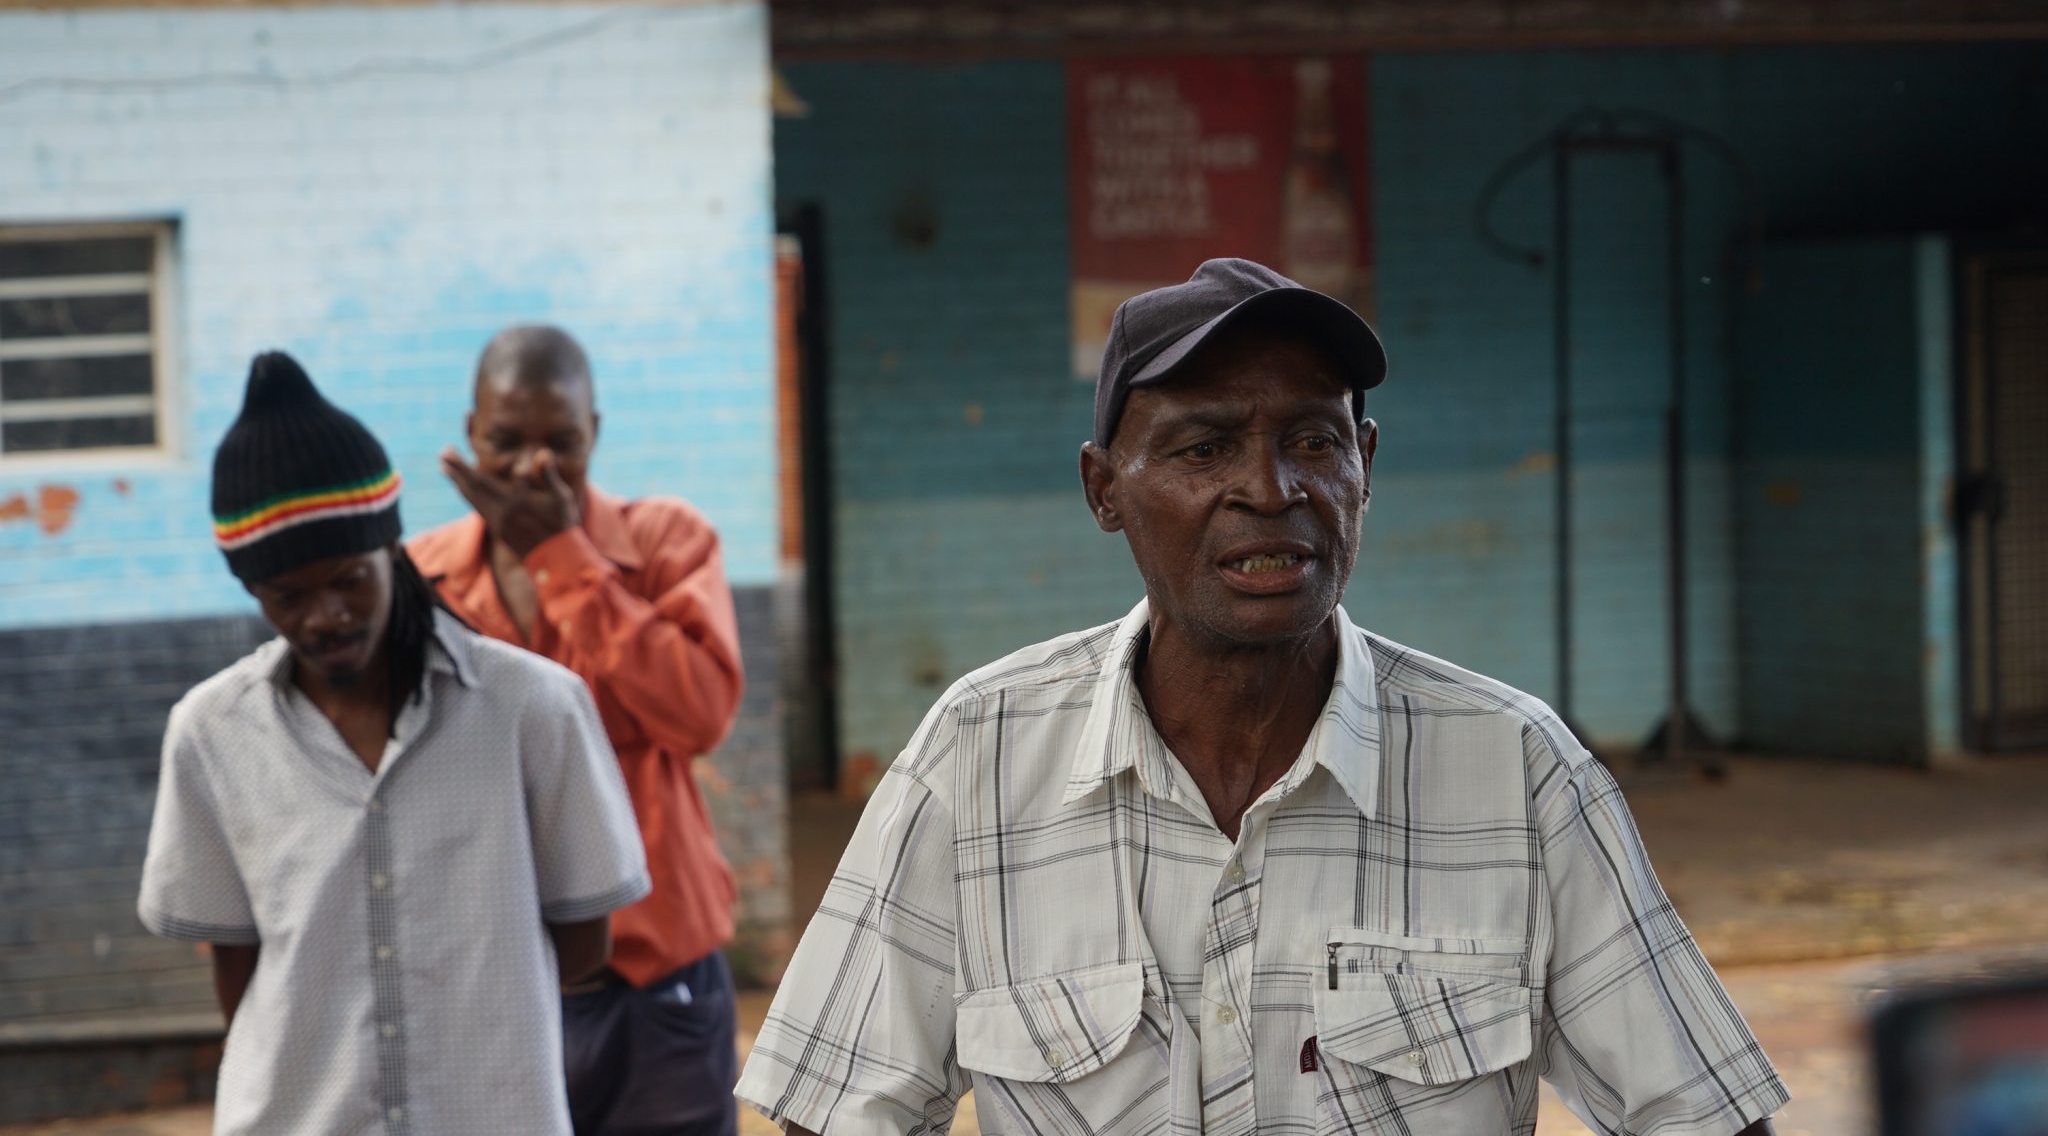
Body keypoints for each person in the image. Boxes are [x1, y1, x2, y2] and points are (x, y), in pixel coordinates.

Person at [737, 259, 1789, 1136]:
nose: (1271, 490)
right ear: (1105, 489)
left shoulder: (1515, 772)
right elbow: (839, 1110)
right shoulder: (976, 757)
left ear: (1363, 466)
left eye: (1311, 440)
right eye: (1202, 448)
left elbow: (1700, 1112)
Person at [138, 352, 651, 1136]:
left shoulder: (532, 708)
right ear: (252, 590)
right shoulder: (211, 733)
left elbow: (583, 942)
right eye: (289, 595)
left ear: (392, 551)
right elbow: (236, 967)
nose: (326, 615)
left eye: (350, 578)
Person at [408, 324, 746, 1136]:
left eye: (562, 441)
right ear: (469, 433)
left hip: (655, 990)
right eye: (506, 441)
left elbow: (700, 712)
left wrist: (564, 558)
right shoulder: (421, 581)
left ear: (594, 430)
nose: (534, 467)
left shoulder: (667, 542)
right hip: (489, 998)